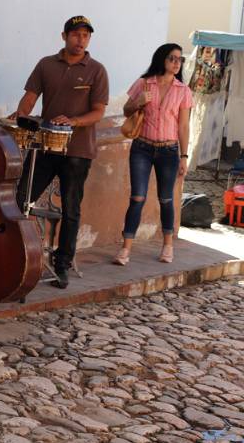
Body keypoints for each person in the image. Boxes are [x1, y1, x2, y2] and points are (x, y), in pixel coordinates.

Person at [14, 16, 109, 289]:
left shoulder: (97, 70)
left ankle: (62, 263)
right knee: (22, 198)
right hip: (44, 145)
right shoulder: (46, 64)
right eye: (76, 35)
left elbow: (99, 112)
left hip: (78, 150)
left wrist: (74, 121)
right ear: (64, 36)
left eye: (86, 36)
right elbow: (31, 96)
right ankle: (17, 254)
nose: (81, 40)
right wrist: (22, 114)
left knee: (71, 208)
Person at [113, 44, 192, 265]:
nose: (177, 63)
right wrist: (138, 102)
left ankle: (168, 245)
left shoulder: (183, 90)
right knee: (137, 197)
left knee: (166, 199)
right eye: (172, 58)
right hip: (142, 148)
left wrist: (184, 156)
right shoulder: (143, 83)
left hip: (169, 150)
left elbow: (183, 126)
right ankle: (125, 249)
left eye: (180, 59)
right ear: (161, 59)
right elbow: (126, 111)